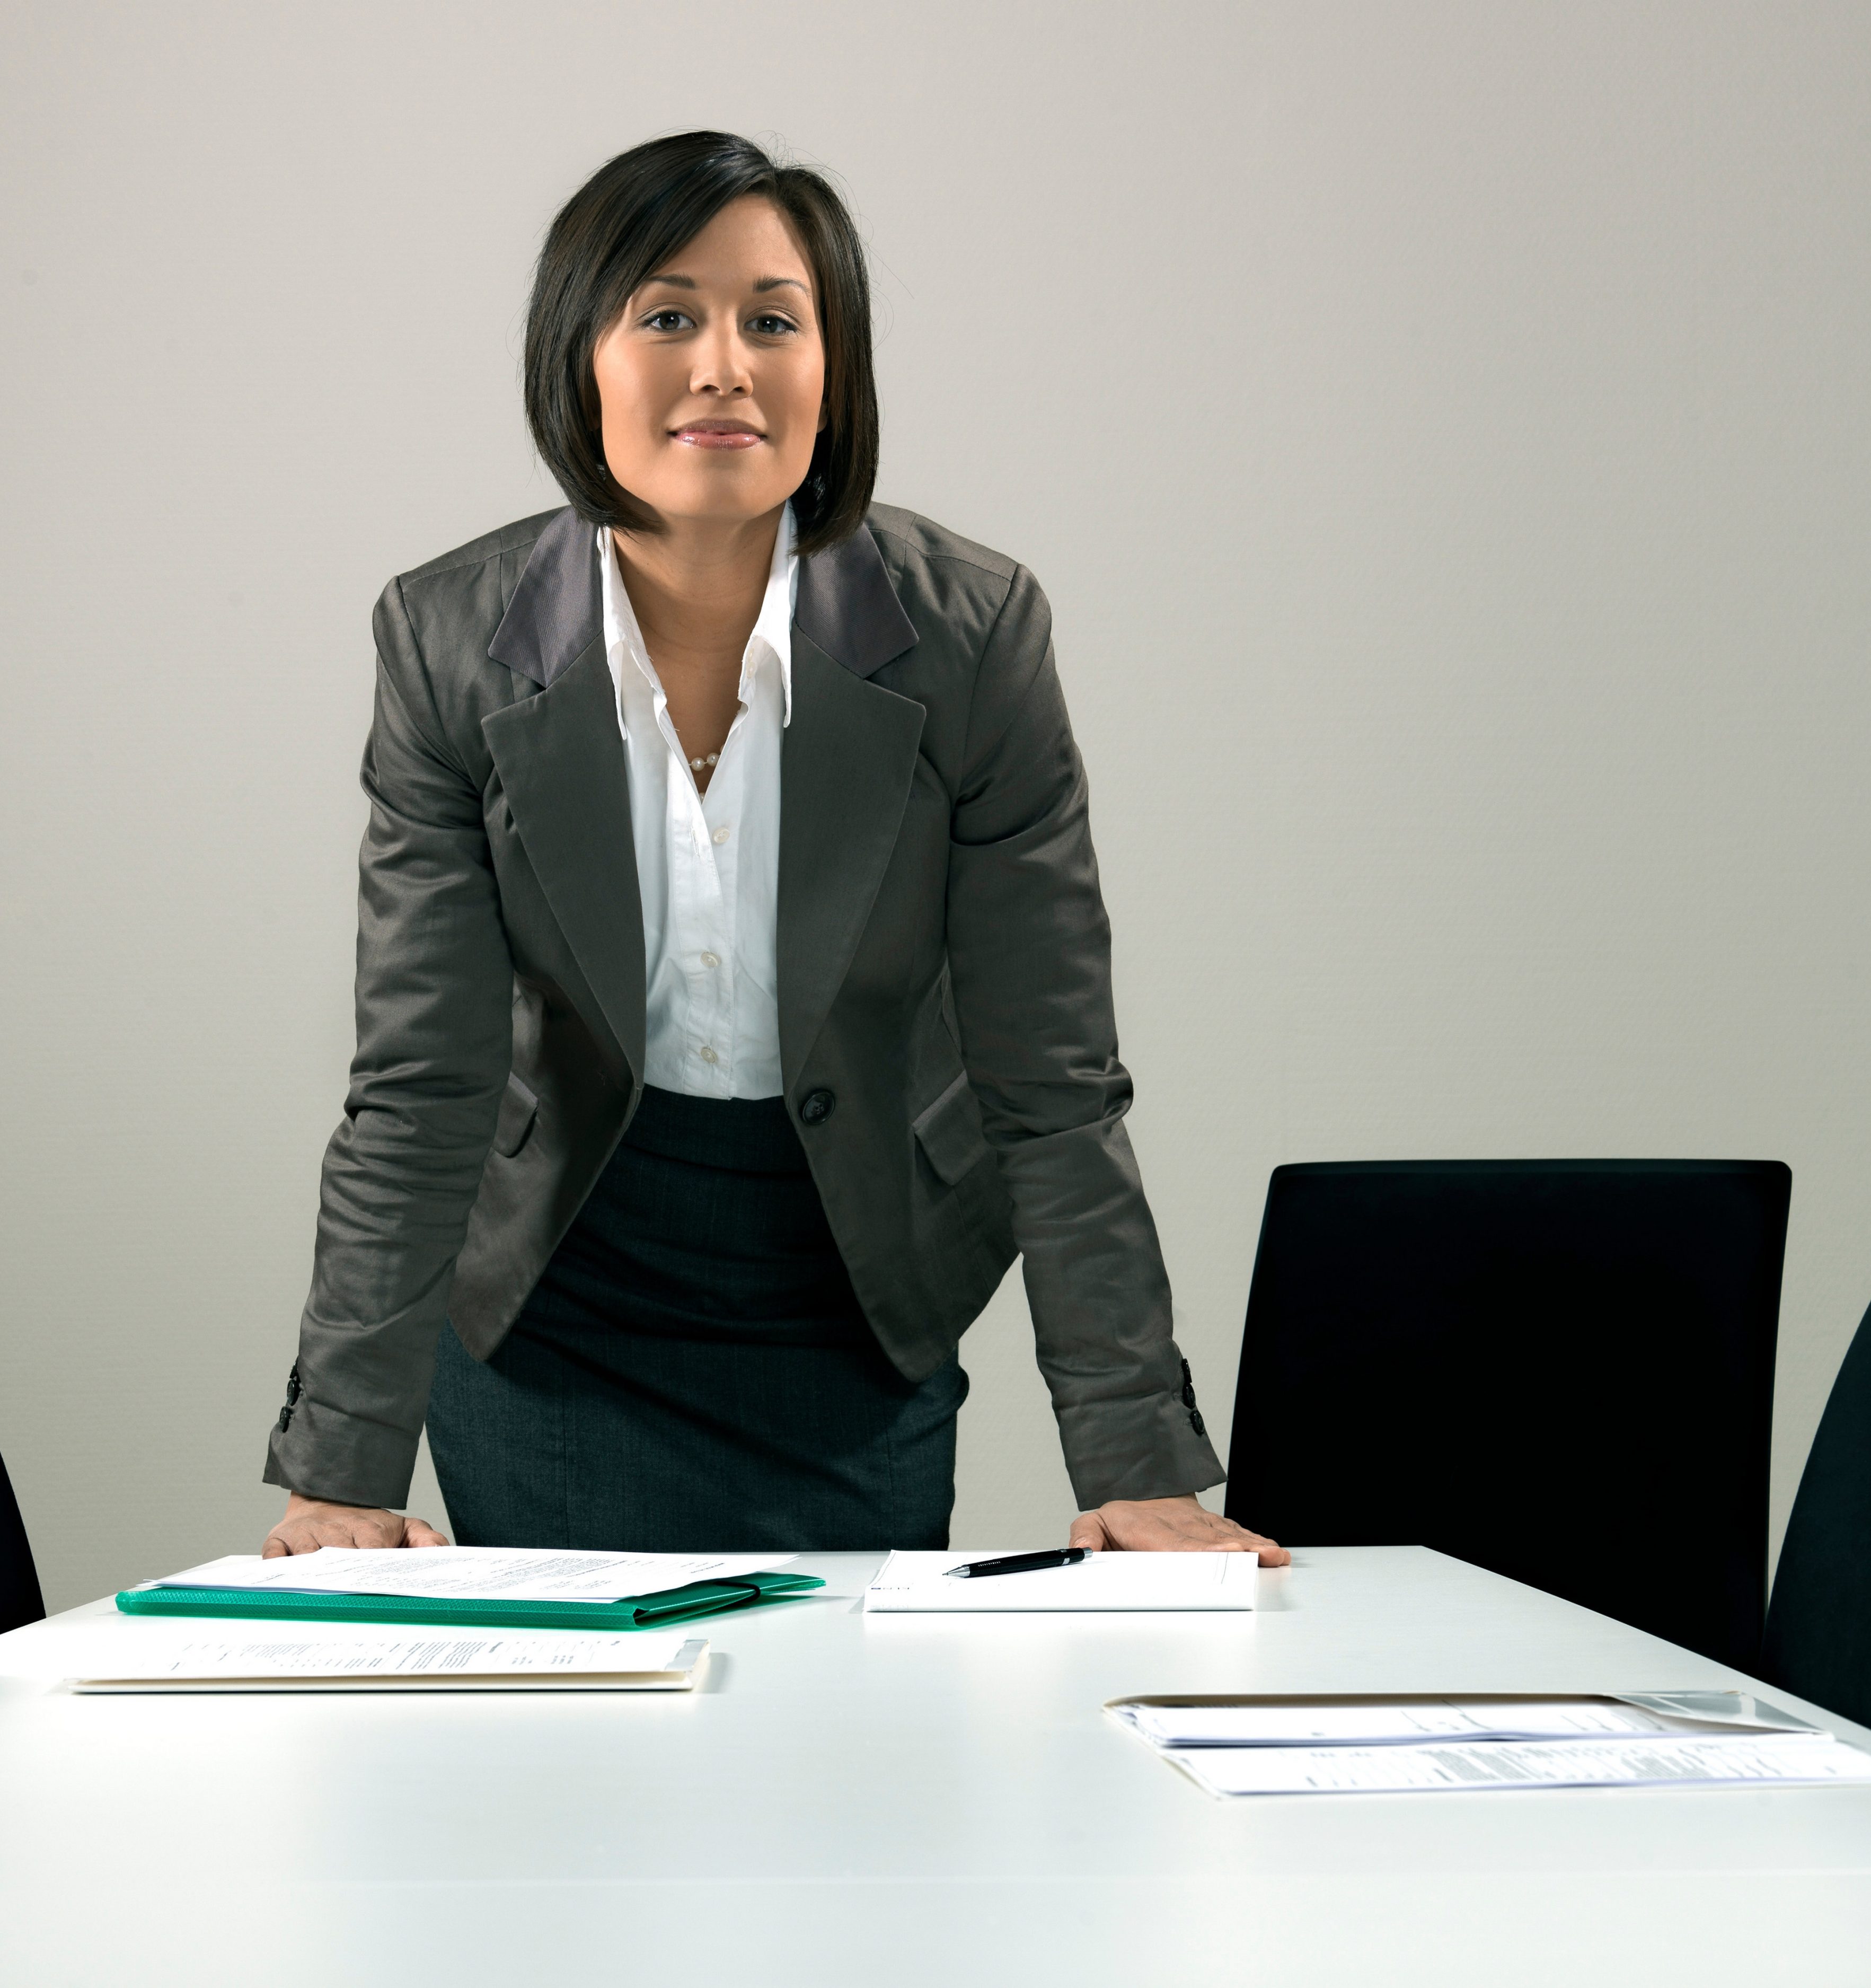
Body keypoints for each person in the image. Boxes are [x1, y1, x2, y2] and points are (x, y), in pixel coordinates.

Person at [261, 131, 1283, 1568]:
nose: (724, 364)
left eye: (774, 320)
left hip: (856, 1287)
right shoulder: (447, 647)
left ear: (835, 371)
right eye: (667, 314)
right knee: (584, 1753)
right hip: (558, 1302)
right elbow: (423, 1082)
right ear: (581, 363)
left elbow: (1047, 1075)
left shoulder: (972, 638)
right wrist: (342, 1471)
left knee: (845, 1756)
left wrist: (1138, 1459)